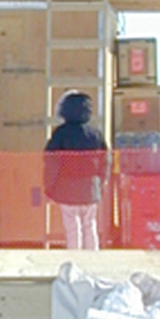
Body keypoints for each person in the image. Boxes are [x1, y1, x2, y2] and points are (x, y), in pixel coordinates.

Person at [44, 92, 109, 249]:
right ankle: (92, 260)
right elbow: (106, 161)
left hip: (66, 187)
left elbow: (51, 162)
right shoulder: (96, 134)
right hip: (91, 187)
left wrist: (49, 187)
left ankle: (75, 260)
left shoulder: (60, 134)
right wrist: (101, 184)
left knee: (72, 227)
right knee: (90, 224)